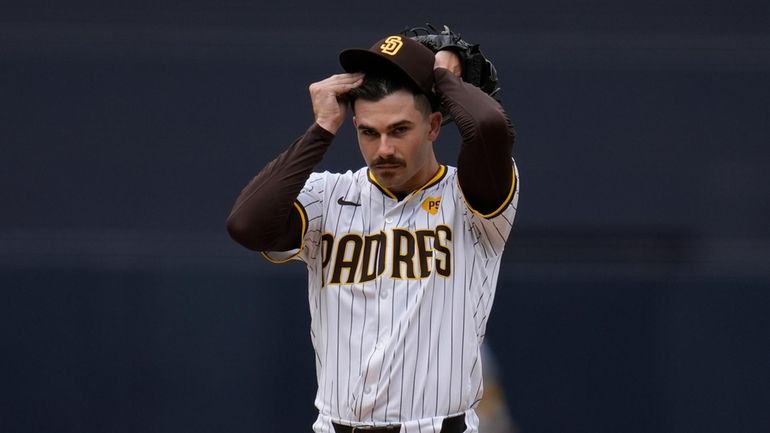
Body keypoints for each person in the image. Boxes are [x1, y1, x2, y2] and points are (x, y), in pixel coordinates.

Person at [226, 30, 519, 433]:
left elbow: (487, 125)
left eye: (400, 130)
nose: (383, 149)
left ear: (434, 125)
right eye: (369, 132)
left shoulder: (469, 198)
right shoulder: (328, 196)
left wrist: (444, 78)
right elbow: (247, 226)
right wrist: (322, 129)